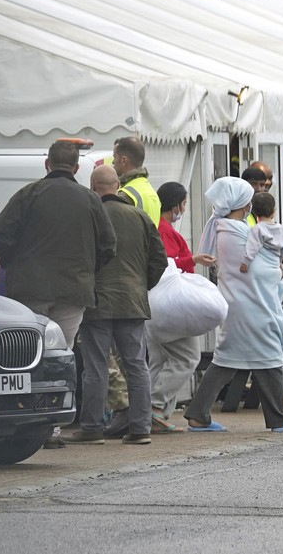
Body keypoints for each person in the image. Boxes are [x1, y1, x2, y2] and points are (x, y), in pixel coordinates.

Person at [0, 140, 117, 448]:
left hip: (30, 290)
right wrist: (88, 272)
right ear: (76, 168)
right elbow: (108, 246)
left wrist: (14, 264)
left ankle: (28, 423)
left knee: (27, 356)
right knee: (60, 355)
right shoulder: (90, 200)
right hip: (74, 292)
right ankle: (53, 427)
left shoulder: (28, 195)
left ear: (47, 164)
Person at [183, 177, 283, 433]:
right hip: (254, 304)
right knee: (270, 353)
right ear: (243, 202)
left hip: (239, 303)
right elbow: (260, 270)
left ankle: (198, 413)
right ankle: (278, 418)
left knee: (228, 358)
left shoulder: (226, 228)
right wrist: (279, 270)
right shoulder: (236, 230)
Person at [67, 165, 167, 445]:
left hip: (97, 302)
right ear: (117, 186)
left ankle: (91, 428)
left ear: (92, 186)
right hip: (132, 301)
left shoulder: (87, 218)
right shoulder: (140, 217)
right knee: (137, 365)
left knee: (96, 366)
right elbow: (159, 259)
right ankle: (140, 429)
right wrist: (141, 285)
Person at [146, 182, 216, 433]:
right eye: (184, 204)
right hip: (169, 306)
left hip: (156, 305)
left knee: (159, 360)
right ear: (175, 205)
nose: (184, 209)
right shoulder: (164, 231)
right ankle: (155, 406)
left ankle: (154, 416)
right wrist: (193, 260)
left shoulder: (162, 228)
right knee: (188, 357)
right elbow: (166, 264)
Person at [112, 136, 161, 227]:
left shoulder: (125, 195)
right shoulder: (151, 191)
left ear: (123, 161)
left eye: (115, 157)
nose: (113, 161)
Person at [239, 192, 283, 277]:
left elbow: (252, 247)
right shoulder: (282, 229)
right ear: (274, 210)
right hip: (276, 267)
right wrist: (280, 261)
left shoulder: (257, 229)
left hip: (264, 269)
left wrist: (245, 263)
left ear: (254, 212)